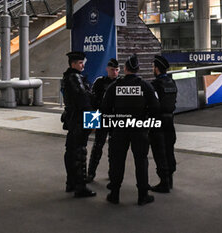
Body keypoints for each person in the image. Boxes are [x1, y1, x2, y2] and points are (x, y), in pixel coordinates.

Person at [102, 54, 160, 206]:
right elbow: (155, 108)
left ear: (125, 69)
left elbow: (105, 109)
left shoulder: (114, 86)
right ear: (138, 69)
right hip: (139, 128)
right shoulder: (145, 86)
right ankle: (143, 195)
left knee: (117, 161)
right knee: (141, 161)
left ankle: (114, 194)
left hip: (119, 129)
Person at [60, 51, 96, 198]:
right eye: (80, 63)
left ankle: (71, 183)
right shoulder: (75, 77)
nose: (82, 66)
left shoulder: (67, 77)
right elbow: (84, 100)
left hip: (73, 118)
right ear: (73, 64)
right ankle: (80, 187)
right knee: (80, 152)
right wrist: (94, 120)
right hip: (80, 118)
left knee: (71, 151)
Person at [86, 58, 120, 183]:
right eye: (112, 70)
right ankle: (91, 173)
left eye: (117, 70)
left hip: (115, 119)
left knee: (114, 149)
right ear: (107, 69)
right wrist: (90, 124)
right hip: (102, 117)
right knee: (97, 147)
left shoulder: (121, 83)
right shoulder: (100, 82)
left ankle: (113, 173)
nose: (115, 72)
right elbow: (92, 102)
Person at [149, 55, 177, 193]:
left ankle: (164, 183)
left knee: (159, 151)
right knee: (169, 150)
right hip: (170, 121)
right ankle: (170, 180)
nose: (152, 69)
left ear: (157, 69)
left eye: (153, 67)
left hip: (158, 121)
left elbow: (152, 104)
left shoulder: (155, 85)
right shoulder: (172, 82)